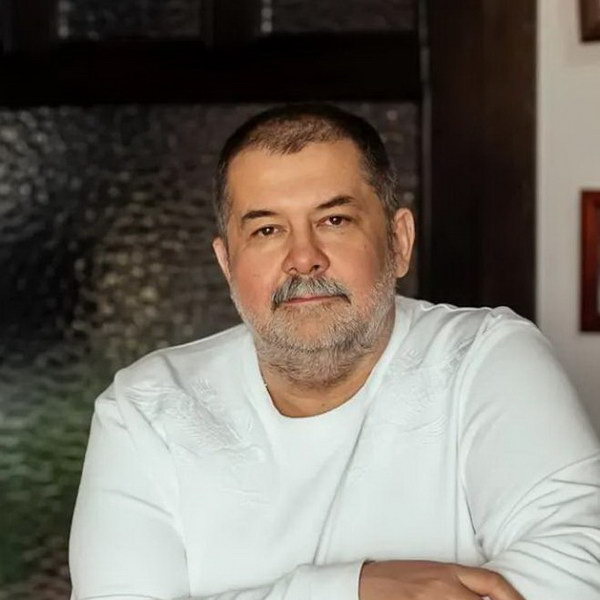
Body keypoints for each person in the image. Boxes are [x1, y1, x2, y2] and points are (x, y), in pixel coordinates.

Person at [68, 104, 600, 600]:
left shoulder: (484, 357)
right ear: (227, 264)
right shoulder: (146, 409)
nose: (304, 258)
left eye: (334, 221)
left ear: (399, 241)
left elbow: (579, 569)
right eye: (267, 229)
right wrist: (354, 589)